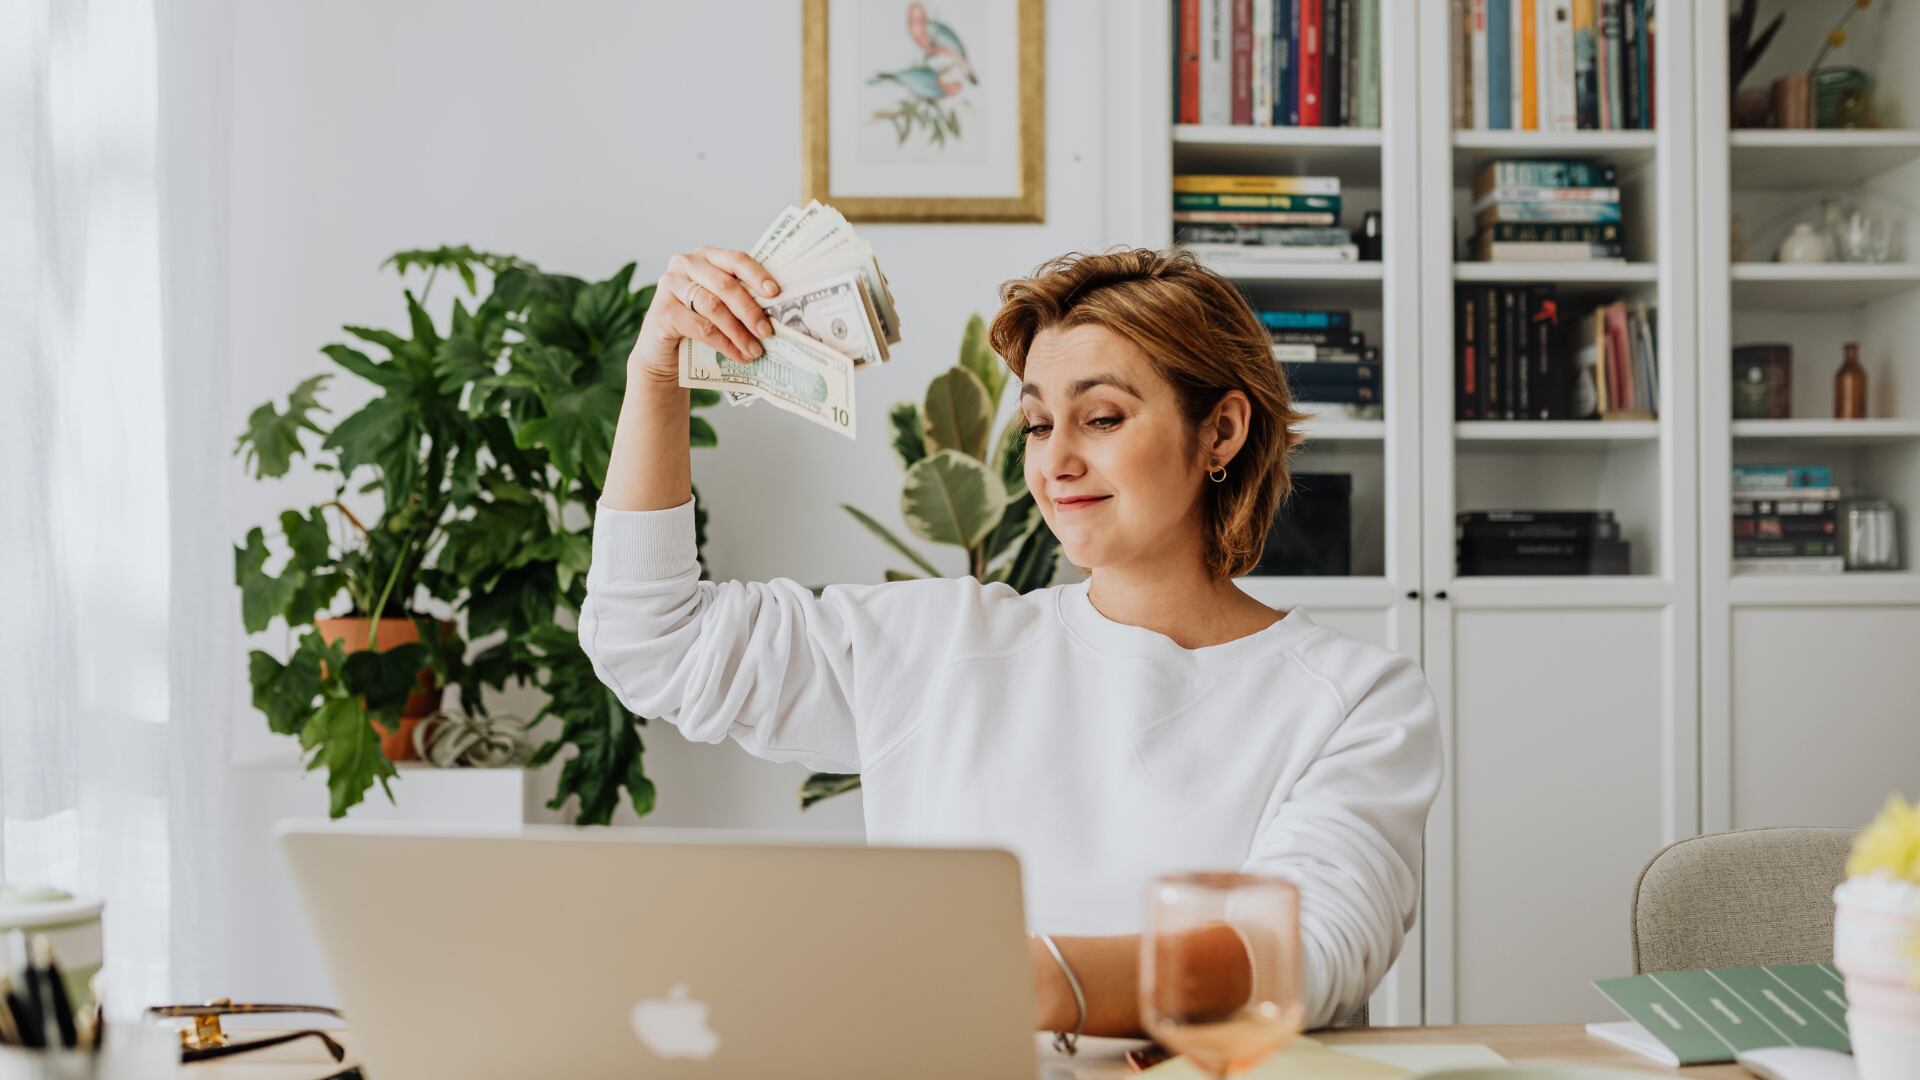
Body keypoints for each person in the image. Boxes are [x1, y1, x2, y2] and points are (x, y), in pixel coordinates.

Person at [582, 243, 1441, 1039]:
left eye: (1101, 418)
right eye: (1036, 424)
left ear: (1220, 430)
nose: (1055, 460)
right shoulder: (937, 645)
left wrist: (1021, 977)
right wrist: (656, 381)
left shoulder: (1355, 698)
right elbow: (653, 641)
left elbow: (1311, 952)